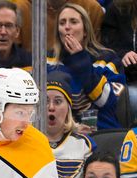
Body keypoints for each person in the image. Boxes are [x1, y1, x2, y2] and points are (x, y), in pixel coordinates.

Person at [49, 2, 126, 130]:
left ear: (85, 30)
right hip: (59, 133)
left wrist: (80, 59)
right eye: (62, 23)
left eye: (73, 22)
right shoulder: (47, 61)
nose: (67, 27)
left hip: (101, 131)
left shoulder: (108, 59)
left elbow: (107, 101)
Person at [45, 69, 95, 178]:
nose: (51, 107)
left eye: (58, 101)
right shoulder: (27, 142)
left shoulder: (85, 144)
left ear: (68, 108)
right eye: (45, 101)